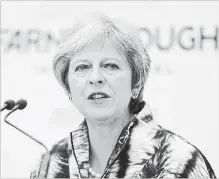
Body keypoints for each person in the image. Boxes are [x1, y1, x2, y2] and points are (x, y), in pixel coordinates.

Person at [31, 12, 216, 178]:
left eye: (111, 65)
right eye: (83, 67)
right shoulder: (50, 165)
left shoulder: (177, 161)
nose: (95, 78)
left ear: (136, 83)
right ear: (68, 88)